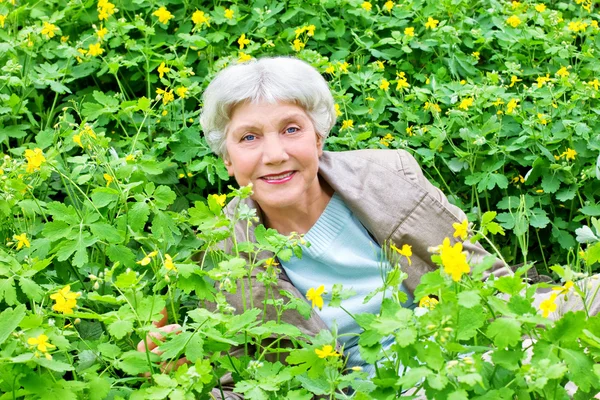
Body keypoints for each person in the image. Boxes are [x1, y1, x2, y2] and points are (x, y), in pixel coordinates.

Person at [139, 56, 600, 399]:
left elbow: (484, 277)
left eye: (292, 129)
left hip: (466, 335)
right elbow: (246, 377)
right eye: (249, 137)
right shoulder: (223, 252)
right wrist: (181, 364)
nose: (274, 154)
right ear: (228, 158)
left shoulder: (389, 174)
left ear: (318, 137)